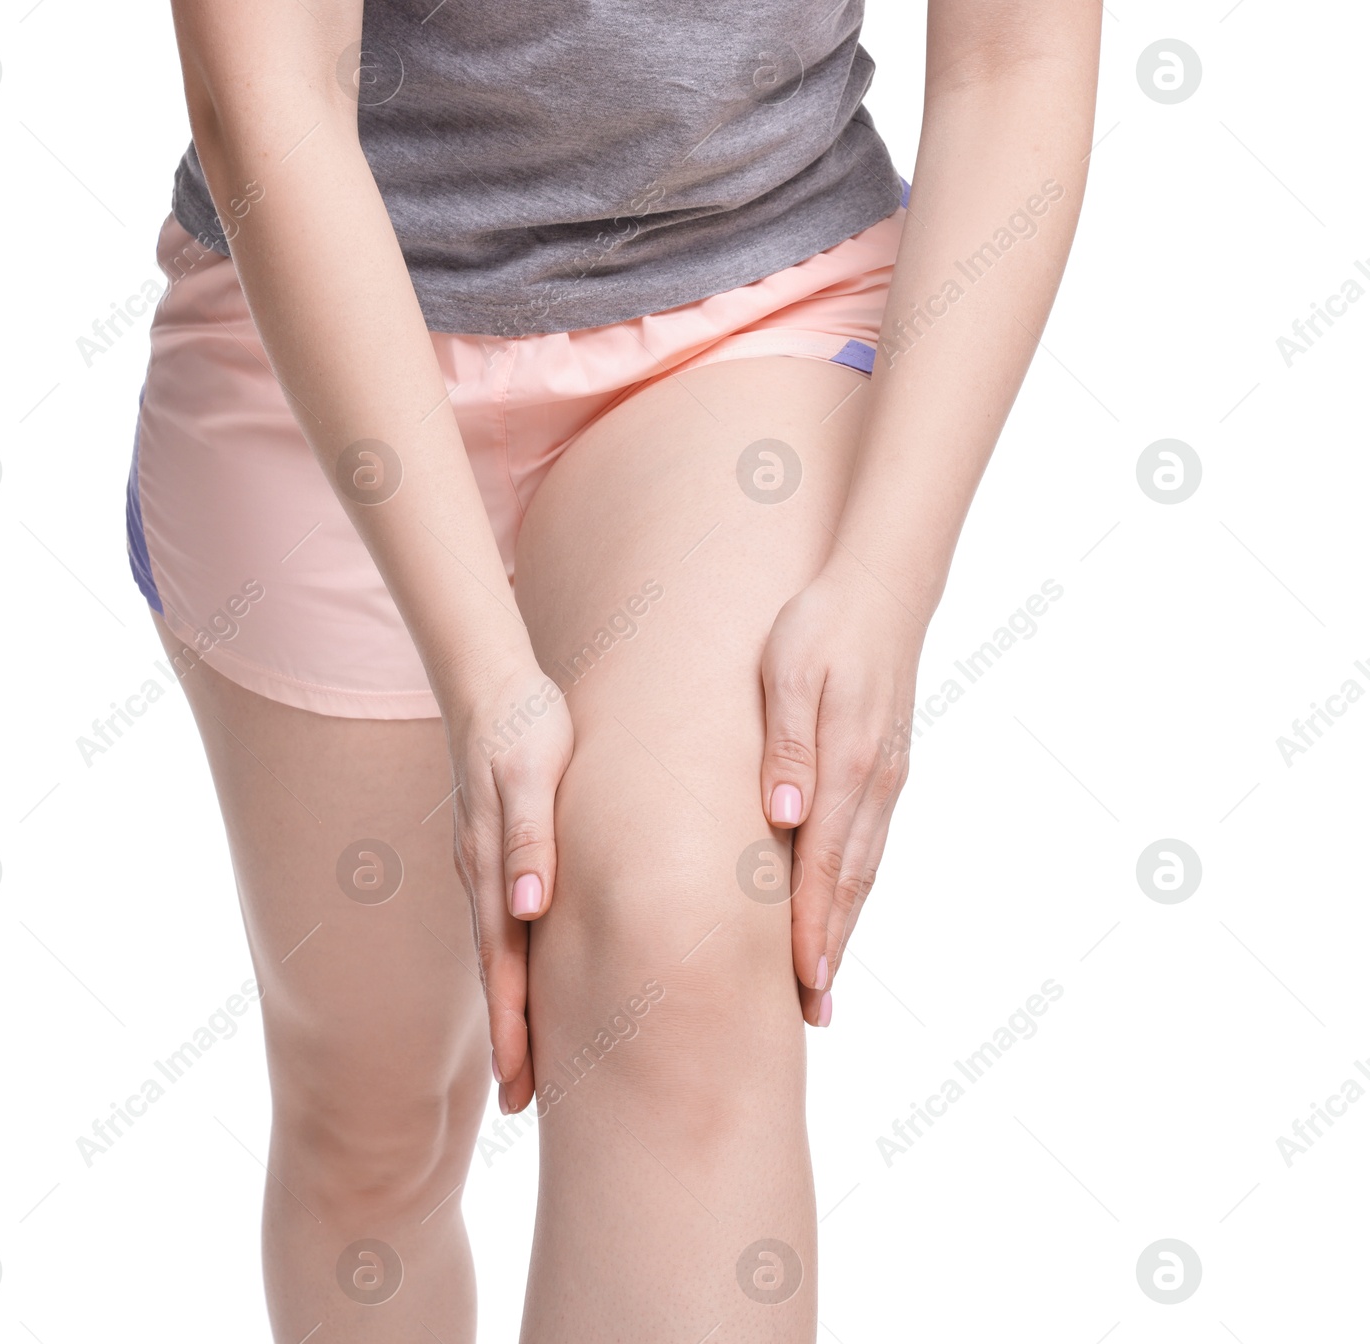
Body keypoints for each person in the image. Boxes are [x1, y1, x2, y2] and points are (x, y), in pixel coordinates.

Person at [124, 1, 1102, 1338]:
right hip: (318, 325)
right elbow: (267, 96)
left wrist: (886, 581)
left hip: (750, 302)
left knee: (680, 960)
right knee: (373, 1125)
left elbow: (1019, 55)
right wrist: (483, 671)